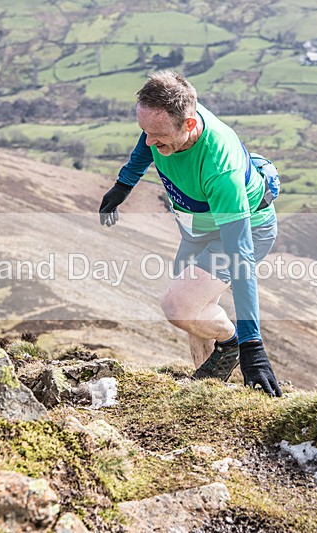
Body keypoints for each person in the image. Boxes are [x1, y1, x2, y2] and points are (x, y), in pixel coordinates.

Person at [99, 70, 282, 397]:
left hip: (245, 231)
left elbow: (240, 255)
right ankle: (210, 388)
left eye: (158, 135)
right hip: (199, 228)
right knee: (195, 309)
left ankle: (234, 345)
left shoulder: (220, 169)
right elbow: (147, 143)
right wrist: (124, 183)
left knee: (179, 305)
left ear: (190, 125)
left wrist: (253, 343)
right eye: (145, 131)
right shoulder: (166, 124)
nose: (150, 141)